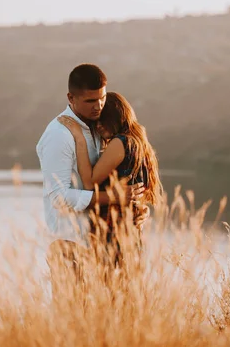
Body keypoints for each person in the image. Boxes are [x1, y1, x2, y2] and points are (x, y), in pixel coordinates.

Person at [36, 64, 149, 288]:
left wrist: (135, 208)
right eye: (90, 101)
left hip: (101, 246)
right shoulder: (60, 135)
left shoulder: (98, 128)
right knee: (73, 319)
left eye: (102, 98)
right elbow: (58, 197)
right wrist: (113, 198)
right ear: (71, 97)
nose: (98, 106)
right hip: (70, 243)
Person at [57, 91, 162, 267]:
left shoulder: (120, 142)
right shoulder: (138, 142)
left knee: (60, 251)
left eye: (101, 120)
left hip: (113, 238)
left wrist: (79, 139)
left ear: (115, 116)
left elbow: (90, 182)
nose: (97, 126)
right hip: (127, 237)